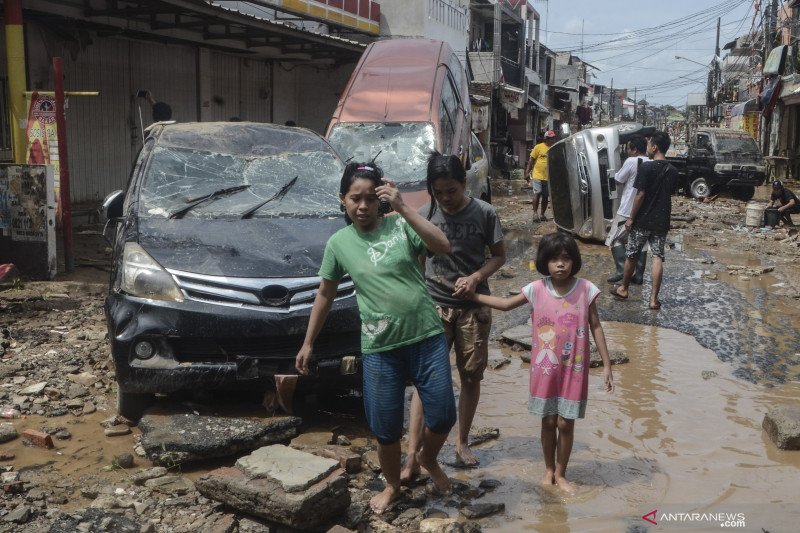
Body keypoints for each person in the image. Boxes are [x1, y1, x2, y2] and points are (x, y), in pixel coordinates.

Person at [296, 162, 456, 514]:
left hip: (426, 337)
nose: (364, 206)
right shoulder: (339, 243)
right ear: (343, 201)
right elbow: (324, 295)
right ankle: (393, 485)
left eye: (371, 198)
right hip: (380, 347)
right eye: (356, 199)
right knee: (385, 429)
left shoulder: (402, 225)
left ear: (382, 199)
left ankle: (427, 459)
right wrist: (308, 342)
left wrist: (402, 206)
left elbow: (442, 245)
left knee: (443, 415)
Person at [469, 232, 614, 493]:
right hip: (545, 370)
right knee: (547, 422)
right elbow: (504, 304)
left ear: (574, 261)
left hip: (575, 369)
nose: (560, 264)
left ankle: (562, 473)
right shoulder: (536, 289)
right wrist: (473, 296)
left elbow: (596, 326)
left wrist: (606, 364)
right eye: (554, 259)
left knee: (565, 423)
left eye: (566, 258)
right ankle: (548, 469)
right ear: (544, 262)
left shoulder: (586, 290)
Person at [401, 153, 506, 479]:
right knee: (424, 381)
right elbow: (415, 262)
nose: (446, 198)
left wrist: (475, 278)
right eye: (439, 192)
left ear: (464, 184)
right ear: (431, 190)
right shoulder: (424, 215)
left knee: (471, 376)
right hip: (433, 308)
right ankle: (412, 455)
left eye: (452, 191)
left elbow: (499, 257)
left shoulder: (485, 213)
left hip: (473, 309)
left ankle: (461, 442)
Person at [609, 131, 679, 311]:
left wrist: (631, 218)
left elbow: (640, 194)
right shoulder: (672, 170)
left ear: (654, 147)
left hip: (642, 219)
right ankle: (654, 300)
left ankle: (624, 289)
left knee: (632, 254)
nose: (647, 147)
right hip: (662, 220)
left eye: (649, 145)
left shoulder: (646, 168)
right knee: (657, 256)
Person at [605, 136, 650, 284]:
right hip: (644, 211)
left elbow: (618, 179)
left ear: (634, 149)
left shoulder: (631, 161)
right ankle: (638, 275)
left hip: (626, 210)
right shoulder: (651, 162)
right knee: (641, 242)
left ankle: (621, 270)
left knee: (614, 239)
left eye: (629, 149)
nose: (629, 152)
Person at [525, 130, 556, 222]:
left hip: (548, 177)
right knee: (537, 193)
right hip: (537, 175)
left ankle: (542, 214)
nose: (552, 140)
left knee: (546, 196)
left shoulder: (554, 148)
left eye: (553, 138)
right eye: (551, 139)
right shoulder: (538, 147)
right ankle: (535, 214)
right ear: (546, 139)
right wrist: (527, 172)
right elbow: (531, 160)